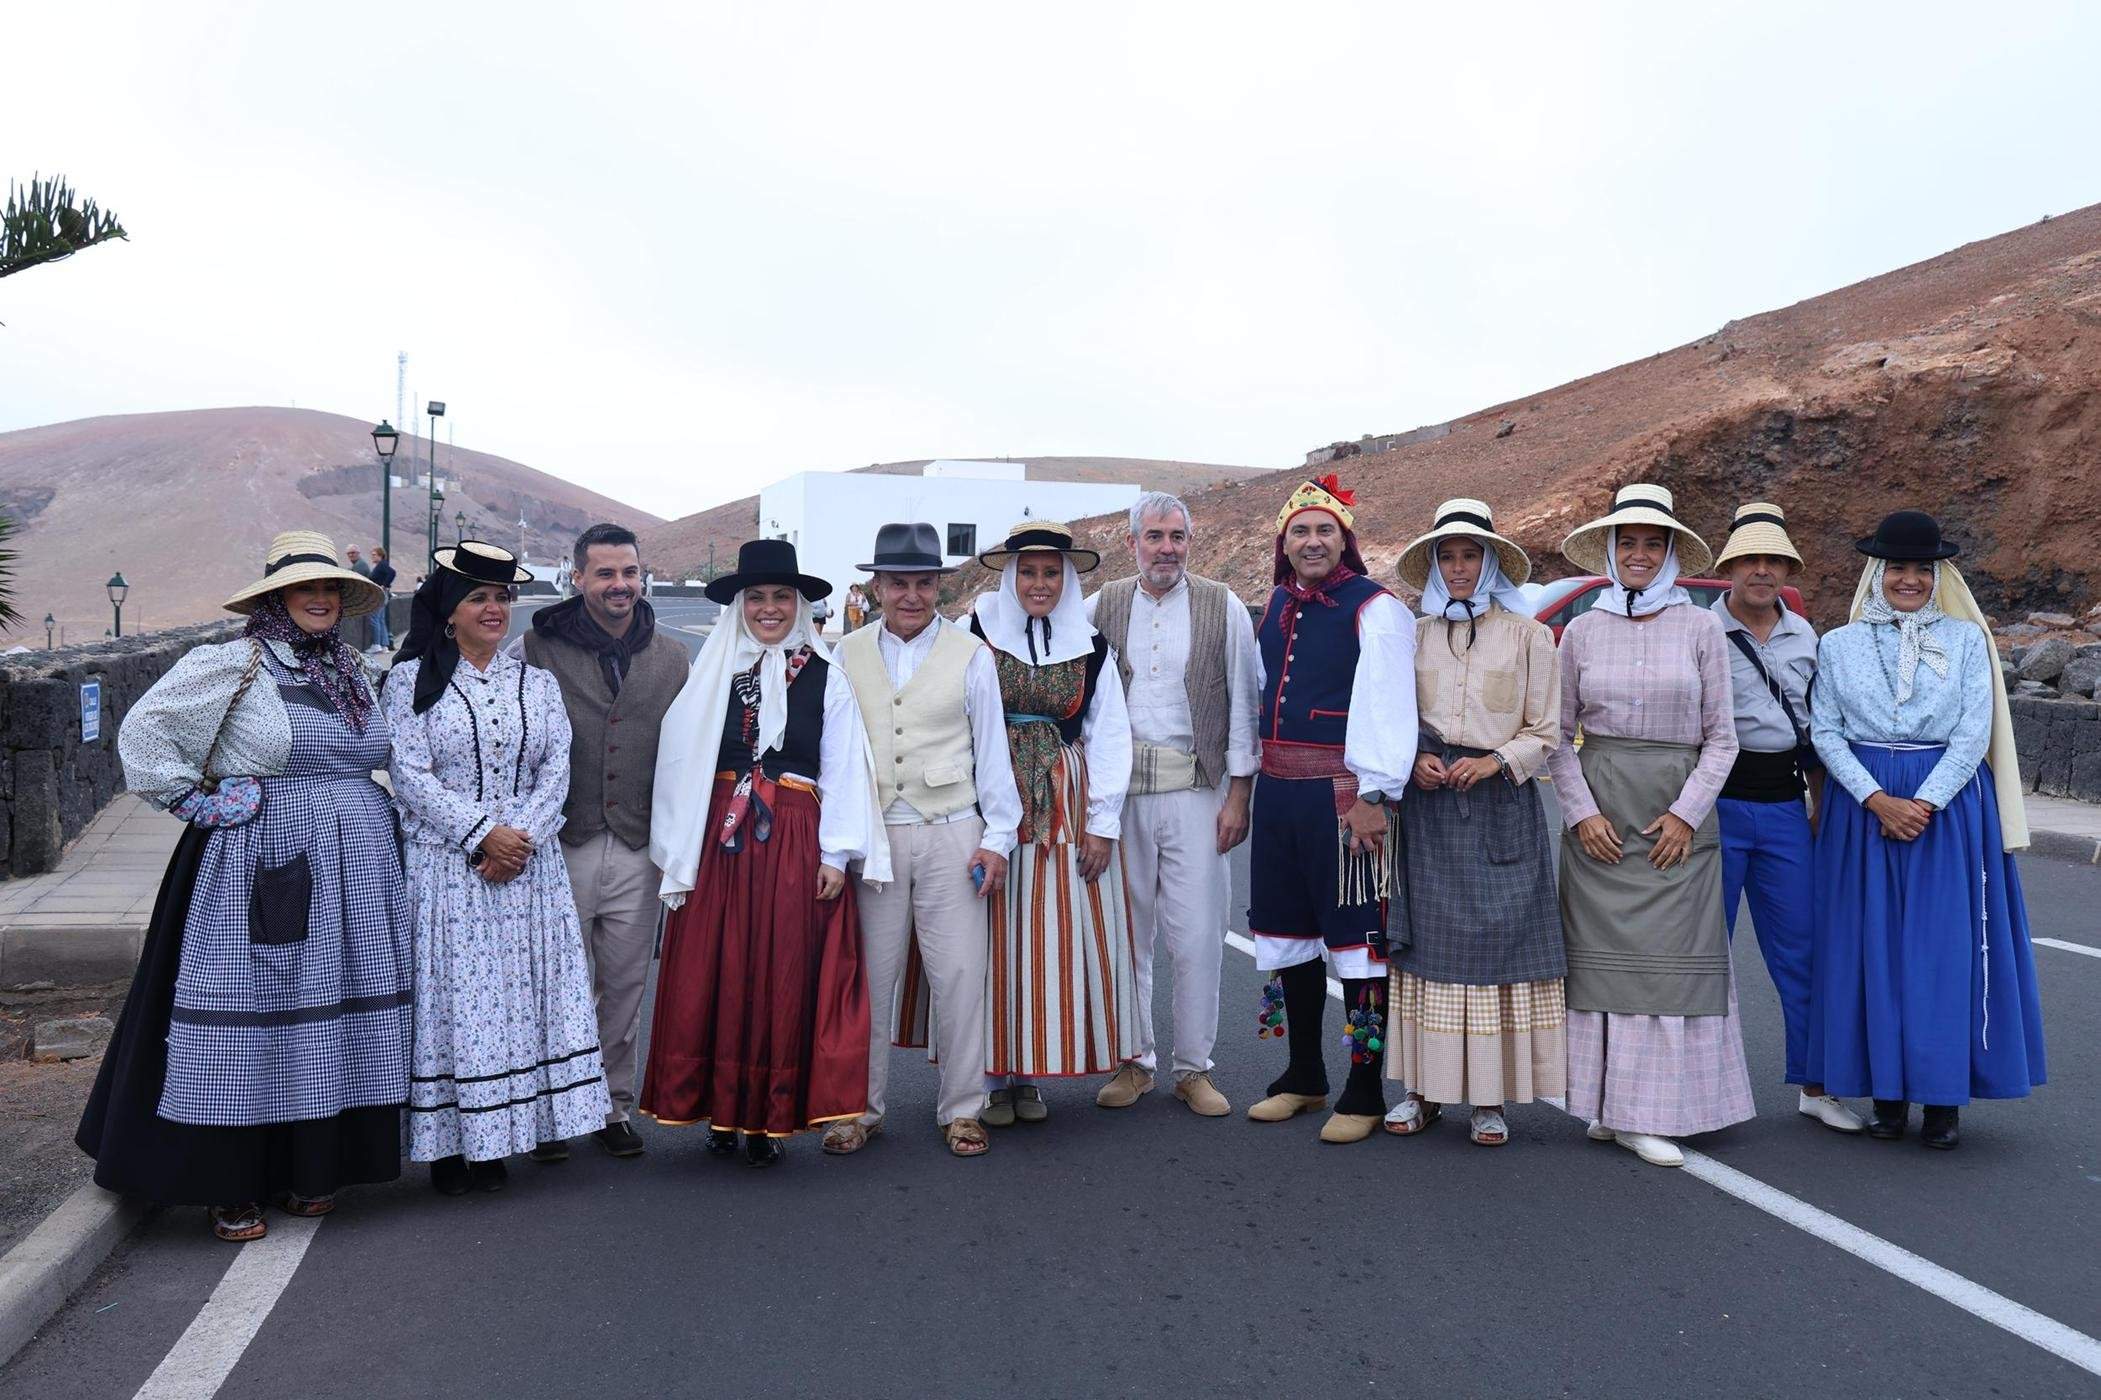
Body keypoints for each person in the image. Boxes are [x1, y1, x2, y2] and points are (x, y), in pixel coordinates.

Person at [79, 532, 408, 1242]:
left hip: (357, 870)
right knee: (252, 1008)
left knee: (333, 1012)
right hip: (264, 860)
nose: (320, 599)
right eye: (304, 588)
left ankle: (311, 1167)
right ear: (275, 599)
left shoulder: (349, 668)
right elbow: (144, 733)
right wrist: (198, 802)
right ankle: (228, 1183)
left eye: (329, 588)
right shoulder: (234, 664)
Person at [641, 540, 889, 1166]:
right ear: (740, 606)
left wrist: (836, 855)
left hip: (795, 837)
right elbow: (681, 758)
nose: (769, 608)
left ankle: (764, 1121)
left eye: (782, 597)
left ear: (800, 606)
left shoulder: (827, 679)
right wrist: (679, 848)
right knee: (719, 969)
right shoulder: (714, 674)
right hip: (722, 840)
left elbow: (843, 768)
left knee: (780, 973)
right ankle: (721, 1113)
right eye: (757, 597)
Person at [1807, 510, 2046, 1149]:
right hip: (1864, 806)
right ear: (1876, 573)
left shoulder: (1966, 642)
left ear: (1939, 577)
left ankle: (1942, 1100)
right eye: (1897, 568)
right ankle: (1887, 1096)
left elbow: (1973, 732)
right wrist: (1876, 799)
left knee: (1941, 950)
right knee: (1873, 947)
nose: (1909, 579)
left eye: (1922, 568)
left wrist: (1924, 802)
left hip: (1946, 806)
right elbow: (1825, 730)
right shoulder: (1838, 645)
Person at [384, 540, 611, 1194]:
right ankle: (451, 1147)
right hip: (449, 868)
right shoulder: (410, 682)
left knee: (518, 1000)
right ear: (448, 610)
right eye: (478, 598)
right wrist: (483, 835)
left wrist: (521, 839)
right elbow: (409, 773)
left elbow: (557, 766)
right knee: (457, 1003)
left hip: (526, 868)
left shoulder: (535, 684)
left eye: (501, 597)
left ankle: (503, 1138)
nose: (493, 609)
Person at [1547, 483, 1753, 1168]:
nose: (1639, 554)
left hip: (1675, 817)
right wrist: (1581, 814)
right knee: (1599, 968)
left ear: (1670, 553)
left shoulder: (1700, 628)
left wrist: (1685, 815)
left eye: (1653, 544)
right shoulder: (1582, 630)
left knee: (1669, 967)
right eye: (1628, 542)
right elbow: (1556, 735)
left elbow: (1722, 737)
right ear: (1611, 551)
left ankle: (1648, 1112)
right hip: (1601, 815)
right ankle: (1608, 1108)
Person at [821, 522, 1023, 1159]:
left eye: (924, 583)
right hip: (875, 837)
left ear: (940, 586)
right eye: (898, 583)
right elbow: (835, 755)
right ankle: (858, 1109)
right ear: (876, 587)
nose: (911, 595)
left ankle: (963, 1109)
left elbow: (992, 752)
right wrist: (835, 845)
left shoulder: (971, 655)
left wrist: (998, 838)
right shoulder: (845, 654)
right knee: (868, 979)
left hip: (952, 830)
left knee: (959, 975)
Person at [1381, 500, 1565, 1148]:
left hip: (1499, 805)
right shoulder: (1414, 635)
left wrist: (1493, 763)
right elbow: (1392, 714)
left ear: (1490, 564)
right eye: (1447, 557)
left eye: (1469, 556)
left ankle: (1489, 1100)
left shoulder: (1528, 636)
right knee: (1426, 952)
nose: (1458, 568)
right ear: (1435, 566)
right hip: (1428, 806)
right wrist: (1414, 759)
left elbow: (1546, 729)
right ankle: (1421, 1093)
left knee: (1495, 949)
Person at [1245, 475, 1417, 1144]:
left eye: (1325, 530)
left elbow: (1389, 706)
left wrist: (1374, 794)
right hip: (1278, 794)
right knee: (1290, 934)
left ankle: (1365, 1090)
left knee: (1357, 943)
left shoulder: (1375, 609)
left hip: (1344, 799)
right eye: (1300, 532)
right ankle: (1304, 1073)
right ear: (1283, 544)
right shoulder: (1274, 605)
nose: (1312, 542)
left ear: (1345, 541)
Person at [516, 523, 689, 1161]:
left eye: (629, 572)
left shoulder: (674, 658)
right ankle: (547, 1110)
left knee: (624, 986)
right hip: (563, 840)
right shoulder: (536, 647)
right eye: (606, 573)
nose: (620, 585)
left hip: (641, 845)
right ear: (578, 577)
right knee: (554, 981)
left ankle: (612, 1105)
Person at [1086, 492, 1257, 1117]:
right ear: (1132, 542)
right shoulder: (1099, 606)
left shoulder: (1223, 604)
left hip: (1196, 791)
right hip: (1121, 797)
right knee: (1126, 934)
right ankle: (1134, 1062)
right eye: (1155, 537)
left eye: (1177, 537)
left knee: (1198, 936)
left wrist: (1238, 794)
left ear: (1190, 542)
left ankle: (1193, 1068)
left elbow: (1244, 701)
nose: (1166, 549)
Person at [967, 521, 1138, 1125]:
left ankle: (1030, 1072)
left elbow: (1110, 733)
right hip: (989, 789)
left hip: (1064, 799)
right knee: (992, 933)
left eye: (1051, 573)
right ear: (1010, 576)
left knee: (1045, 935)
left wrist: (1103, 823)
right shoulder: (975, 632)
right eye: (1029, 572)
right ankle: (991, 1077)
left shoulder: (1090, 646)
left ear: (1066, 579)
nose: (1039, 584)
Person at [1710, 503, 1860, 1134]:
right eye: (1750, 559)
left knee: (1803, 951)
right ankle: (1695, 1090)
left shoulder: (1808, 638)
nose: (1762, 571)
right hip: (1713, 808)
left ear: (1789, 570)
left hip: (1784, 810)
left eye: (1774, 561)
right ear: (1729, 568)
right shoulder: (1700, 631)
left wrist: (1820, 802)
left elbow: (1819, 731)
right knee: (1702, 954)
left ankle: (1816, 1084)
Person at [346, 545, 376, 650]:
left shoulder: (360, 566)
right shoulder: (357, 565)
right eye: (349, 553)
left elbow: (354, 582)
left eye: (353, 553)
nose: (351, 555)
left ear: (358, 553)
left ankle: (375, 644)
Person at [368, 546, 397, 651]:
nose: (372, 556)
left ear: (380, 555)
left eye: (374, 555)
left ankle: (376, 644)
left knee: (374, 619)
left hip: (379, 594)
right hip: (383, 594)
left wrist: (384, 585)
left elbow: (392, 572)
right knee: (380, 619)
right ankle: (384, 645)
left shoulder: (382, 565)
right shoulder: (381, 565)